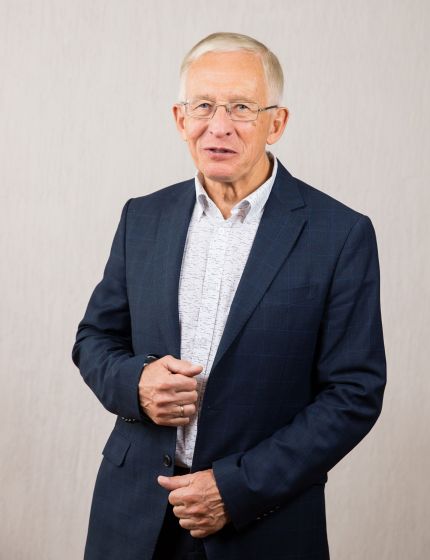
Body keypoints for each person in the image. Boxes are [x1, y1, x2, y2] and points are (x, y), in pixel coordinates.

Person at [72, 32, 386, 560]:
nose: (218, 126)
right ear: (180, 119)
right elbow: (94, 339)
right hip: (132, 518)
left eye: (241, 107)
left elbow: (354, 393)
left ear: (276, 123)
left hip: (262, 524)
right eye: (203, 106)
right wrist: (136, 383)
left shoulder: (340, 234)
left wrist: (237, 489)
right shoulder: (142, 218)